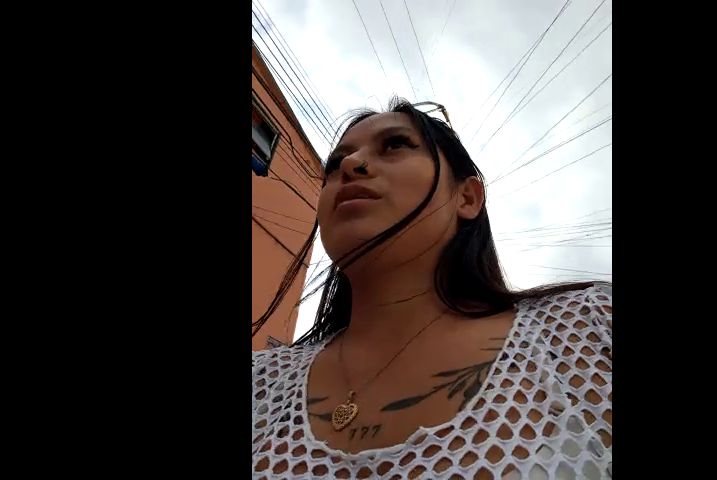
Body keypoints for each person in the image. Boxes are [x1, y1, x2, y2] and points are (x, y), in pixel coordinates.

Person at [252, 98, 611, 479]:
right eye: (335, 162)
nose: (350, 164)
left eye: (395, 144)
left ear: (467, 198)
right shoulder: (262, 383)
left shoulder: (588, 331)